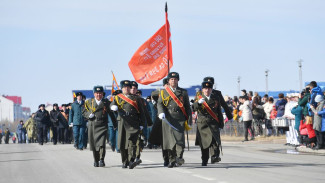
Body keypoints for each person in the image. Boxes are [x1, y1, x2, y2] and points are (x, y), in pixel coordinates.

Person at [157, 72, 192, 168]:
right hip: (168, 119)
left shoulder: (183, 92)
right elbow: (159, 104)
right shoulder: (163, 92)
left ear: (178, 80)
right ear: (168, 81)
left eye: (175, 79)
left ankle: (179, 157)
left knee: (180, 140)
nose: (173, 81)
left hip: (179, 119)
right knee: (170, 141)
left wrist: (189, 120)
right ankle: (172, 160)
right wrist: (160, 112)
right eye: (172, 79)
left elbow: (187, 107)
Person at [110, 80, 146, 169]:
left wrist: (141, 123)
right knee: (122, 143)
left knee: (132, 142)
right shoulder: (118, 98)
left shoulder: (136, 99)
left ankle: (131, 160)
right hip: (122, 122)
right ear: (122, 88)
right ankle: (124, 161)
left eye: (128, 87)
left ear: (130, 88)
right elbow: (112, 105)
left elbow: (142, 112)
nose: (126, 89)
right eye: (124, 87)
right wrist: (113, 106)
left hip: (133, 122)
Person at [83, 86, 117, 167]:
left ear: (102, 94)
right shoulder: (89, 102)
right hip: (93, 125)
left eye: (100, 93)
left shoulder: (106, 102)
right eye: (97, 93)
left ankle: (102, 159)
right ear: (94, 94)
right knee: (94, 145)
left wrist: (115, 124)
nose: (98, 95)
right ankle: (96, 160)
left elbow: (111, 114)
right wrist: (88, 115)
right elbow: (84, 112)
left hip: (102, 125)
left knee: (102, 143)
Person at [193, 81, 223, 166]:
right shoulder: (198, 97)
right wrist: (198, 103)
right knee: (204, 143)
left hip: (213, 122)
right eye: (205, 89)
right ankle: (204, 159)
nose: (207, 90)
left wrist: (221, 123)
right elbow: (193, 108)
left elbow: (219, 111)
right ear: (202, 89)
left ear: (211, 89)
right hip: (203, 123)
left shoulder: (215, 97)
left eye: (209, 88)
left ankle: (215, 156)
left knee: (215, 141)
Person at [130, 81, 153, 166]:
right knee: (131, 143)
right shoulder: (125, 99)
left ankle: (137, 157)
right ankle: (130, 159)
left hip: (139, 124)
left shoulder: (141, 100)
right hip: (129, 124)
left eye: (135, 88)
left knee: (139, 142)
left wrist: (149, 122)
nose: (133, 90)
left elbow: (145, 112)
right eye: (132, 88)